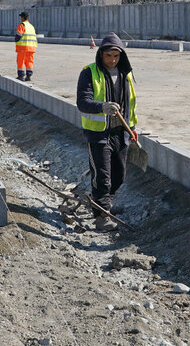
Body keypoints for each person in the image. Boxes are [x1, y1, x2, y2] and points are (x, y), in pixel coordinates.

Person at [76, 32, 138, 232]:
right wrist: (102, 107)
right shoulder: (89, 72)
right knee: (102, 177)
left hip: (121, 132)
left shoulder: (125, 74)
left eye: (116, 56)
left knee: (119, 175)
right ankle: (102, 216)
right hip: (98, 134)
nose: (112, 60)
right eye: (109, 56)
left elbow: (131, 105)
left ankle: (105, 205)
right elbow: (82, 102)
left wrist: (133, 128)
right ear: (101, 54)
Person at [15, 11, 37, 81]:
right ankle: (28, 76)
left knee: (20, 61)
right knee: (29, 61)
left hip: (23, 47)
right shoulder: (31, 26)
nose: (20, 18)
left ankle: (21, 76)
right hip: (32, 47)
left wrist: (16, 40)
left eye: (21, 17)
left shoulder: (22, 25)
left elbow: (18, 36)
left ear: (23, 17)